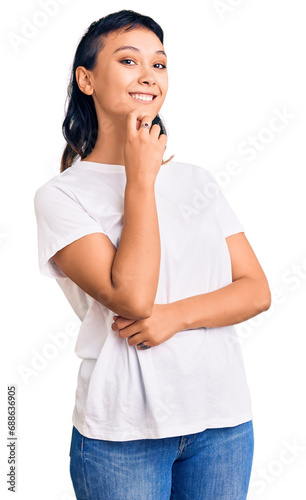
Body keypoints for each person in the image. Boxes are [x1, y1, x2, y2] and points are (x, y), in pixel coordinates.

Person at [33, 9, 271, 500]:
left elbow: (256, 290)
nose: (148, 75)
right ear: (87, 80)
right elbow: (132, 297)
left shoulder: (196, 181)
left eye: (159, 64)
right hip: (122, 436)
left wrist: (176, 317)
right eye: (128, 60)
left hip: (222, 425)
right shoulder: (61, 196)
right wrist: (140, 177)